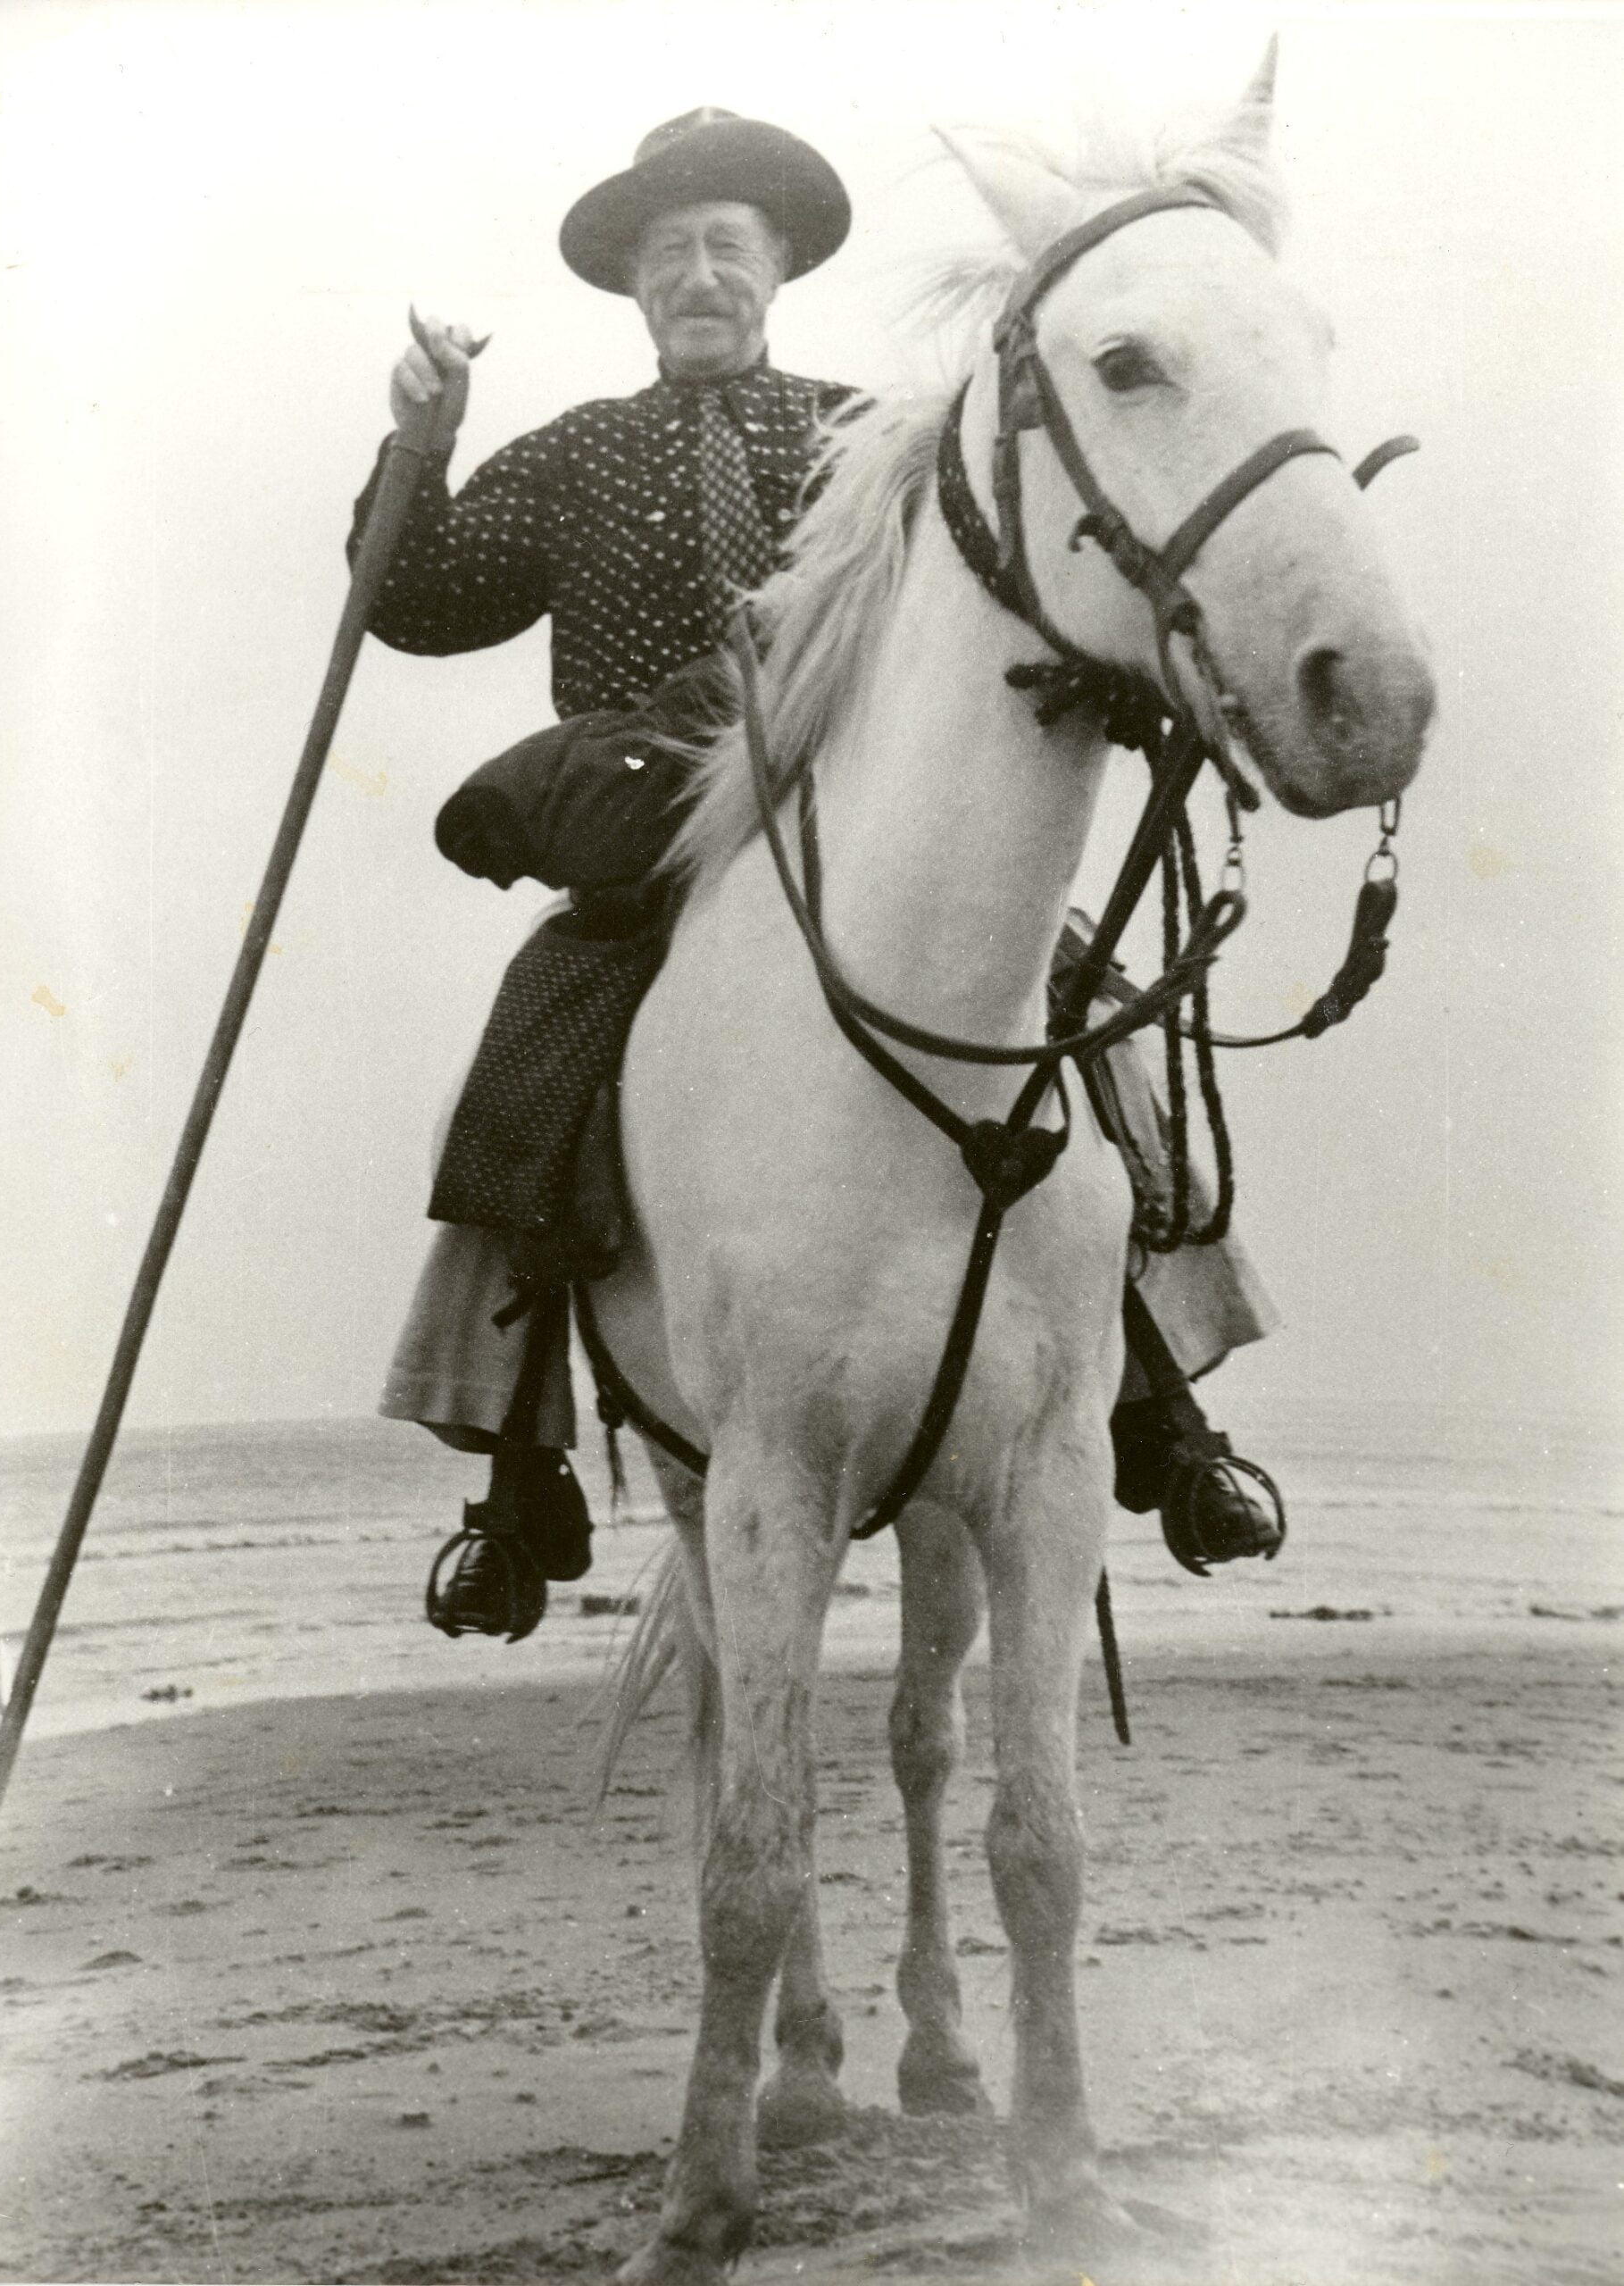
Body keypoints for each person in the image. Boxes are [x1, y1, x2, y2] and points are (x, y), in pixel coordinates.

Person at [350, 108, 1284, 1647]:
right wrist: (423, 440)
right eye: (669, 257)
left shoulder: (878, 436)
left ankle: (1159, 1403)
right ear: (636, 292)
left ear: (776, 266)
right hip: (656, 828)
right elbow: (418, 598)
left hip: (864, 823)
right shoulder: (575, 456)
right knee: (532, 1059)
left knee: (1078, 1014)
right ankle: (512, 1476)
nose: (699, 276)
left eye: (727, 246)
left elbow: (1008, 592)